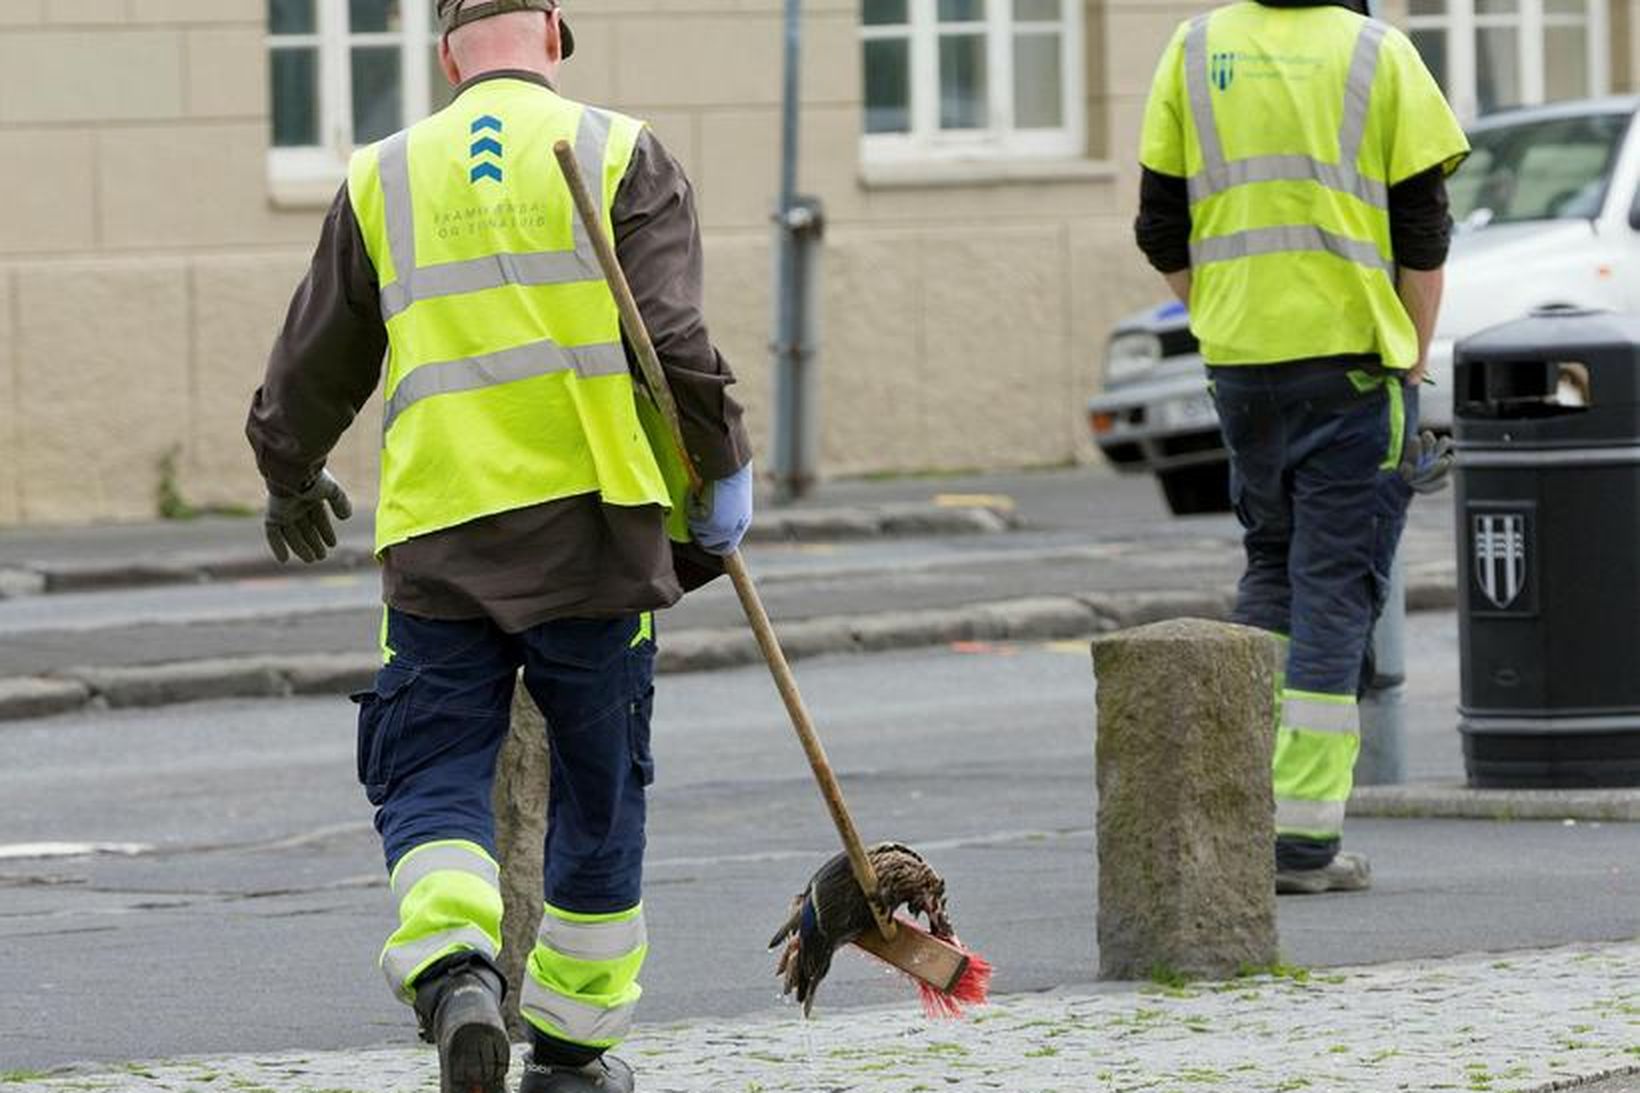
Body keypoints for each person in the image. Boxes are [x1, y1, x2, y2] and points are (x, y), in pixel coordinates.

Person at [246, 2, 752, 1090]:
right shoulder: (621, 152)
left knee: (429, 770)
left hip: (439, 533)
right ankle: (570, 1052)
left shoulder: (384, 173)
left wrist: (287, 469)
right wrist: (720, 474)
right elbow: (671, 343)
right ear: (557, 36)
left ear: (446, 53)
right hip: (592, 533)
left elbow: (317, 356)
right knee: (597, 785)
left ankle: (456, 973)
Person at [1134, 0, 1467, 893]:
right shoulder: (1379, 53)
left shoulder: (1195, 46)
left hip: (1243, 370)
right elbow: (1424, 231)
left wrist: (1220, 314)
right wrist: (1413, 357)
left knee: (1273, 570)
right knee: (1334, 588)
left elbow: (1160, 228)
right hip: (1354, 369)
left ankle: (1242, 811)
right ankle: (1304, 837)